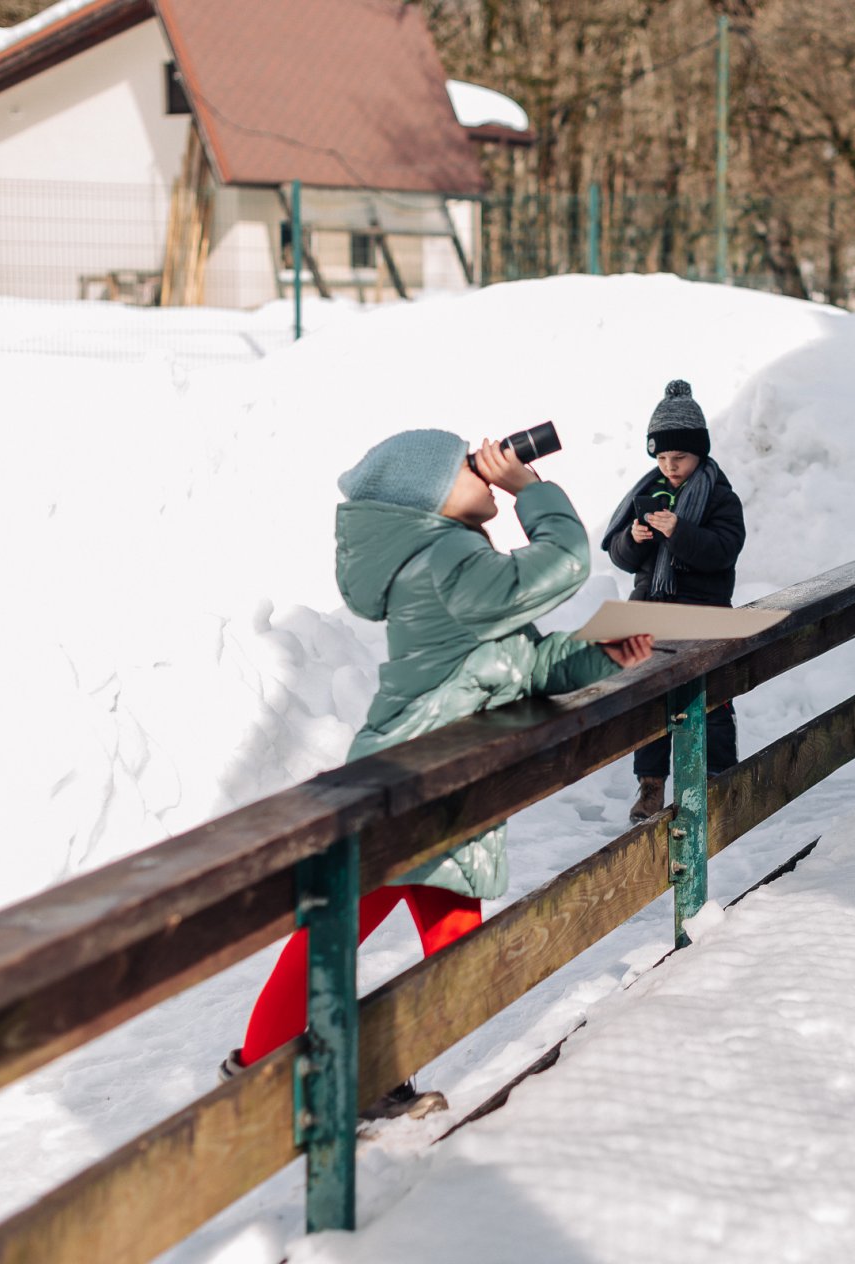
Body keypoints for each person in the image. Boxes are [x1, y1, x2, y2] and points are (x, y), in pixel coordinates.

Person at [219, 428, 652, 1119]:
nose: (483, 467)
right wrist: (530, 491)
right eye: (464, 466)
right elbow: (563, 565)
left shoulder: (458, 558)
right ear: (429, 497)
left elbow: (526, 667)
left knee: (447, 951)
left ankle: (350, 1072)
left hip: (440, 785)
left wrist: (602, 653)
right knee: (375, 940)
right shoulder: (443, 559)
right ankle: (259, 1080)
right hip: (411, 785)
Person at [601, 380, 746, 823]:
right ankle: (651, 784)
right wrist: (635, 537)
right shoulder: (649, 491)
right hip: (651, 612)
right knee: (651, 702)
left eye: (678, 457)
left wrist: (677, 530)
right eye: (661, 458)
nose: (669, 466)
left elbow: (722, 551)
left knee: (712, 698)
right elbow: (622, 558)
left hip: (703, 615)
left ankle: (719, 777)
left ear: (698, 451)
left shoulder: (722, 498)